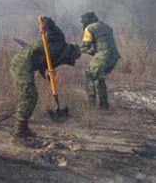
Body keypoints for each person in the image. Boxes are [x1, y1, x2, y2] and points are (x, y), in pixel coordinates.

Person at [10, 17, 81, 145]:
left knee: (31, 96)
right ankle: (18, 134)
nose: (68, 61)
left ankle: (24, 129)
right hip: (22, 64)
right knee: (29, 96)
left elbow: (44, 67)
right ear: (70, 52)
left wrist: (48, 74)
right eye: (71, 57)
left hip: (28, 66)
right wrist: (45, 23)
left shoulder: (57, 58)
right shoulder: (59, 39)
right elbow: (52, 26)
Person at [80, 12, 120, 110]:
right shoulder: (106, 27)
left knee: (88, 75)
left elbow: (85, 46)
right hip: (114, 57)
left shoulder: (89, 28)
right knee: (100, 77)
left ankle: (91, 105)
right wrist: (95, 52)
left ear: (87, 21)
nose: (83, 24)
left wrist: (74, 49)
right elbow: (105, 44)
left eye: (83, 22)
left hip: (103, 56)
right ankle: (104, 105)